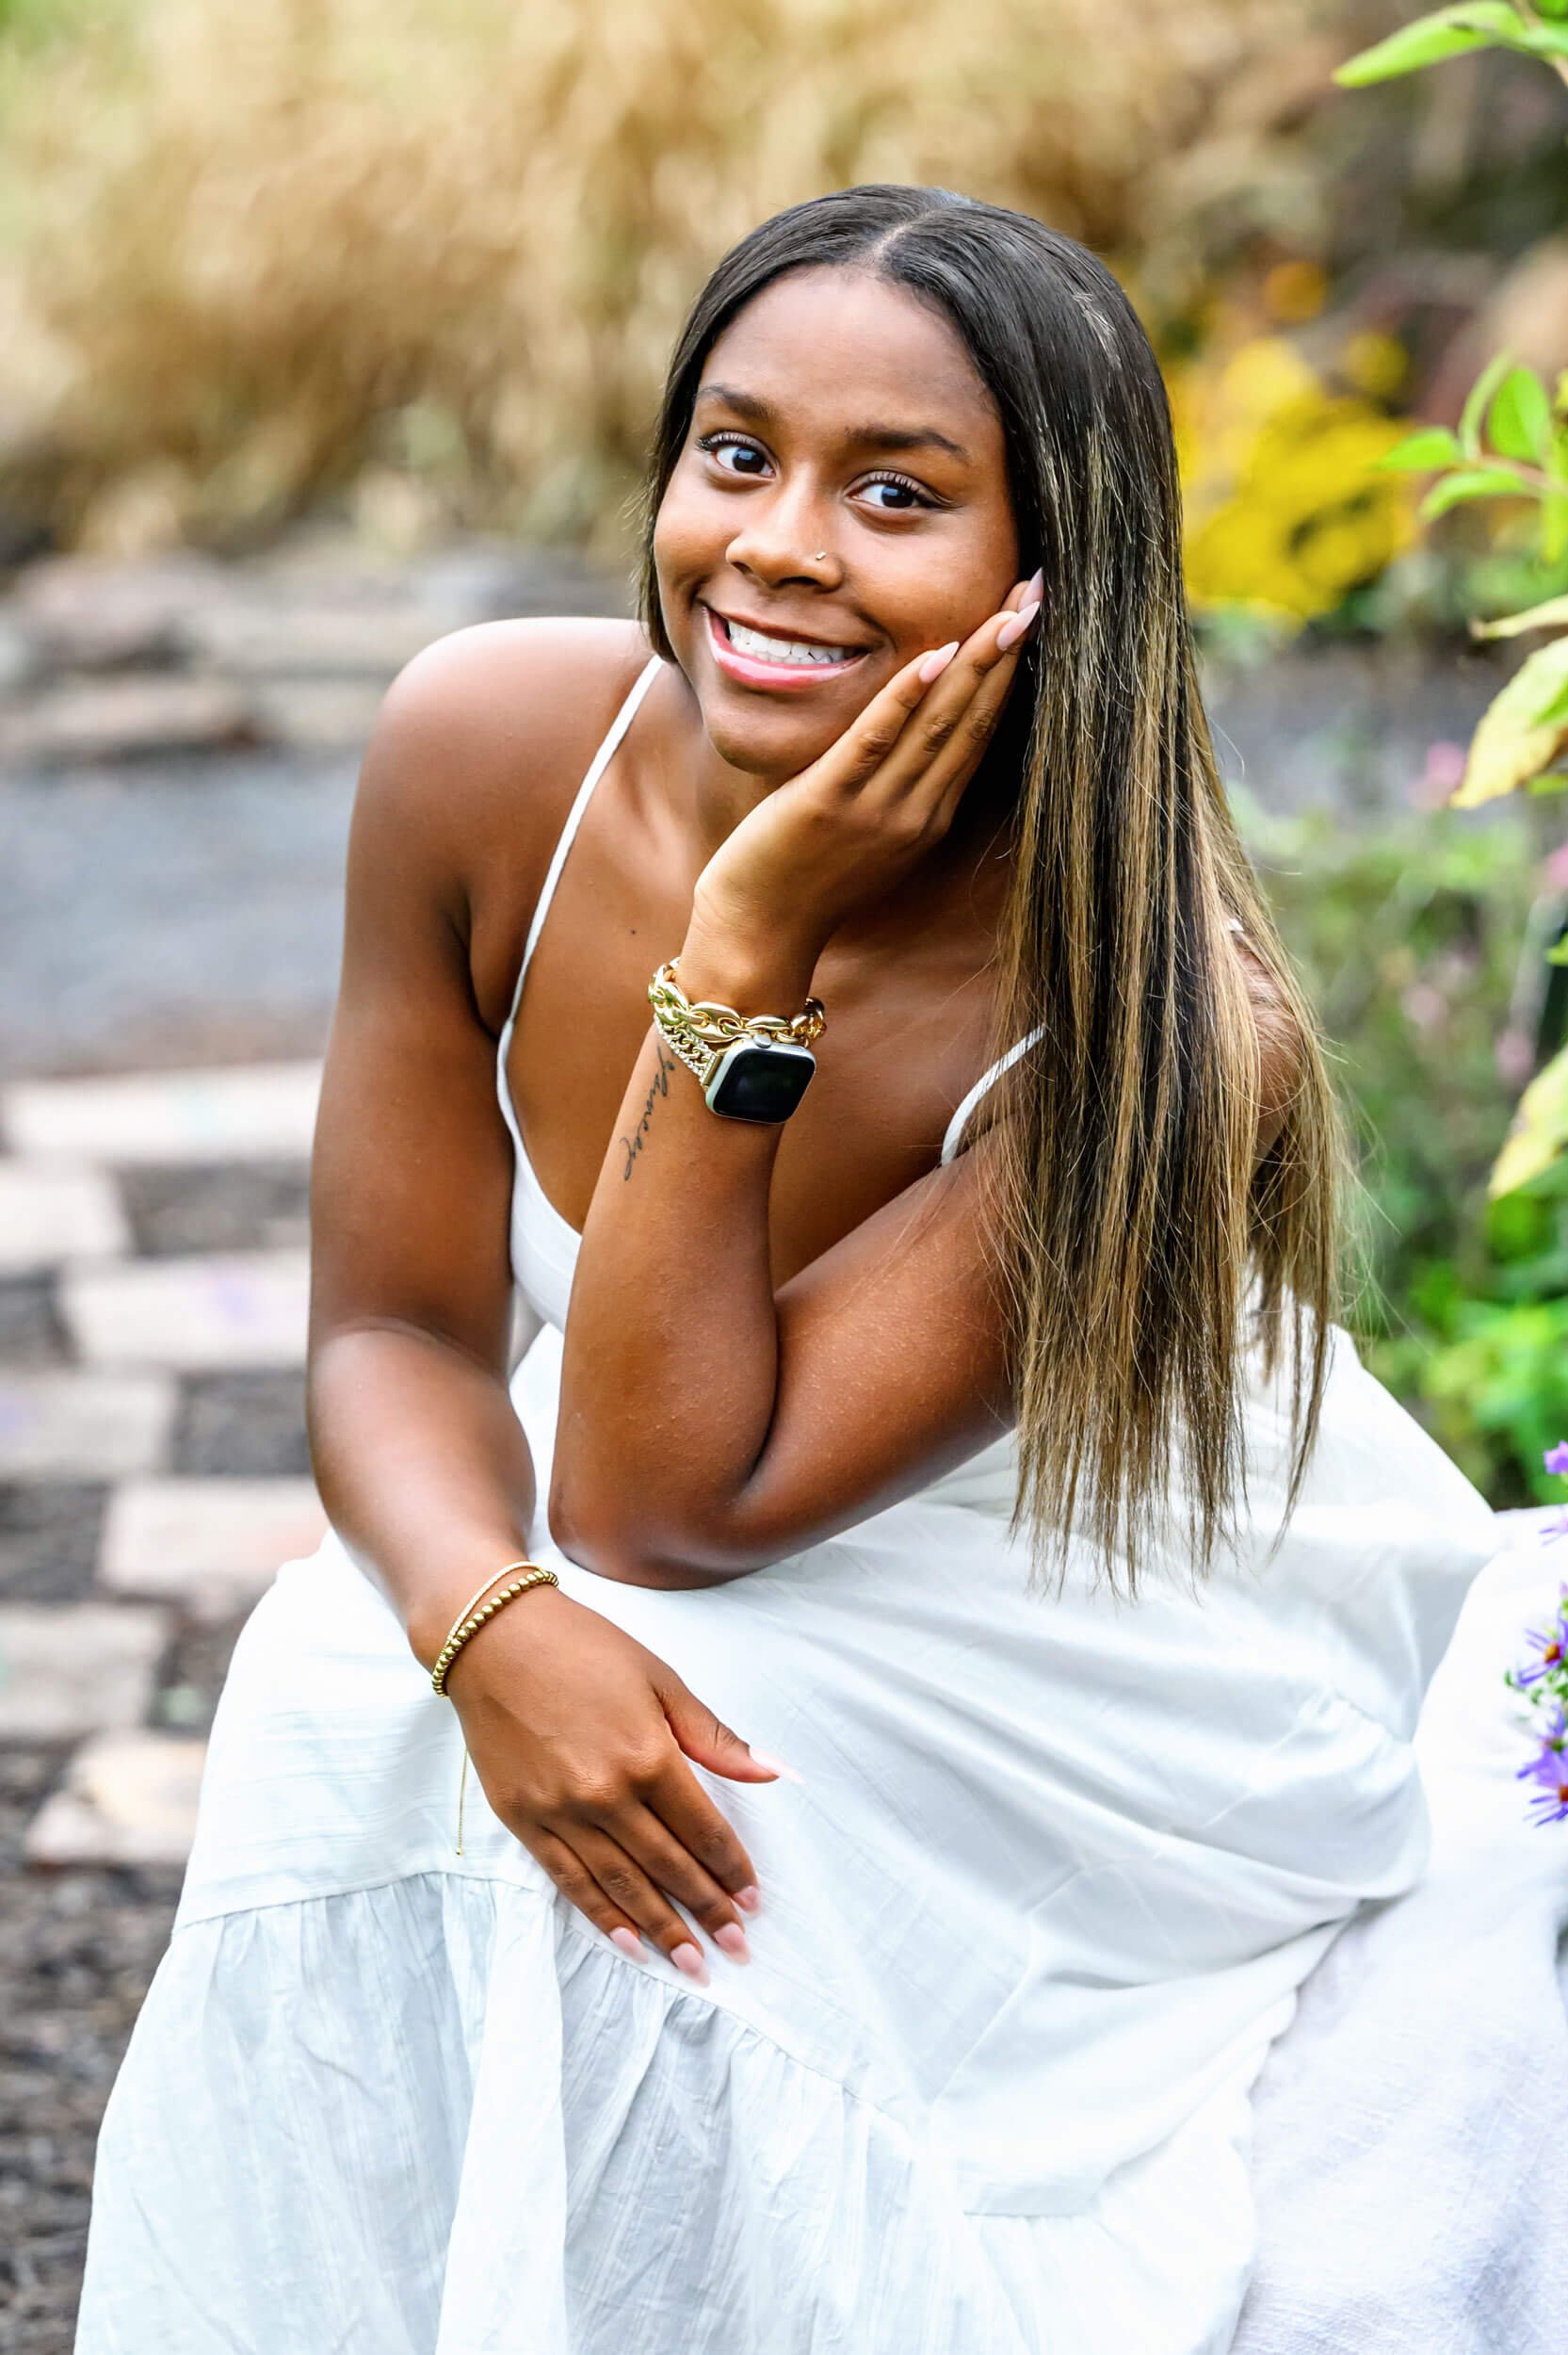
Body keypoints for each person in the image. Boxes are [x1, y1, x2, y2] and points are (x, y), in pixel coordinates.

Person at [74, 183, 1497, 2355]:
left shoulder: (1163, 1028)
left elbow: (660, 1498)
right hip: (659, 1501)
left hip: (1089, 1638)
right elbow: (386, 1328)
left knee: (660, 1770)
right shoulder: (485, 749)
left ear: (1051, 575)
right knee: (339, 1678)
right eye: (735, 452)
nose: (776, 544)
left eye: (895, 493)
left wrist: (744, 949)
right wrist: (484, 1623)